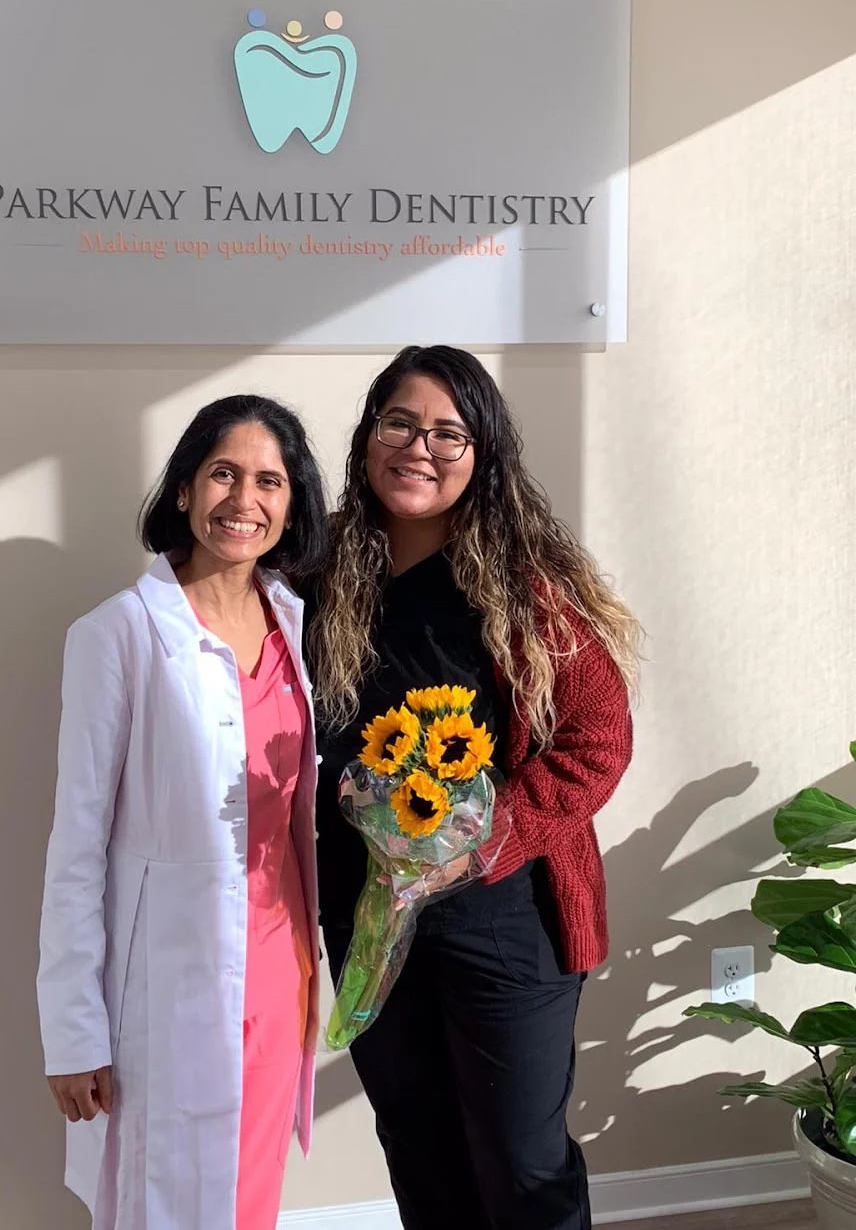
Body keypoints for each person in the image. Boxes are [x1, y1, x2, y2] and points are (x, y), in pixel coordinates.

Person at [307, 346, 641, 1230]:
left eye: (448, 433)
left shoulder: (528, 590)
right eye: (400, 423)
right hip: (368, 916)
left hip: (504, 916)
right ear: (368, 436)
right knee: (418, 1147)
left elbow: (598, 741)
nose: (419, 447)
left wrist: (483, 844)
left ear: (481, 454)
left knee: (522, 1166)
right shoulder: (320, 570)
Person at [37, 395, 328, 1230]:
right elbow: (77, 846)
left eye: (269, 481)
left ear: (291, 503)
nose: (245, 499)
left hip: (281, 974)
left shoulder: (297, 624)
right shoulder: (119, 634)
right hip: (167, 985)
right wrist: (73, 1031)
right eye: (223, 474)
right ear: (183, 489)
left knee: (249, 1197)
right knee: (162, 1203)